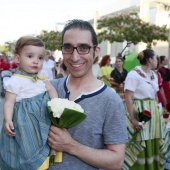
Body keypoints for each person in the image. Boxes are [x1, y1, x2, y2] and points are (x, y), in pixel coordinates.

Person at [48, 19, 128, 170]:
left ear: (96, 51)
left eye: (83, 48)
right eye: (68, 48)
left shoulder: (110, 100)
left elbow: (116, 161)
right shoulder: (50, 88)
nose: (75, 57)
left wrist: (71, 146)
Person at [0, 36, 58, 170]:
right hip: (25, 124)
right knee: (27, 148)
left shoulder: (41, 77)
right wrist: (8, 119)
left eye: (40, 58)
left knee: (45, 143)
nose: (35, 61)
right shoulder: (15, 81)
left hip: (43, 120)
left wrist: (56, 103)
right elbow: (9, 103)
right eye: (30, 56)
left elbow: (51, 89)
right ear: (18, 59)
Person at [123, 49, 168, 170]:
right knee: (140, 140)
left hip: (153, 113)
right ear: (149, 60)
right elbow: (128, 97)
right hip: (140, 112)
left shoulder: (153, 74)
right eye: (155, 58)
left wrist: (159, 111)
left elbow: (154, 95)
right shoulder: (133, 74)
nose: (157, 61)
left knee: (154, 139)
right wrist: (133, 118)